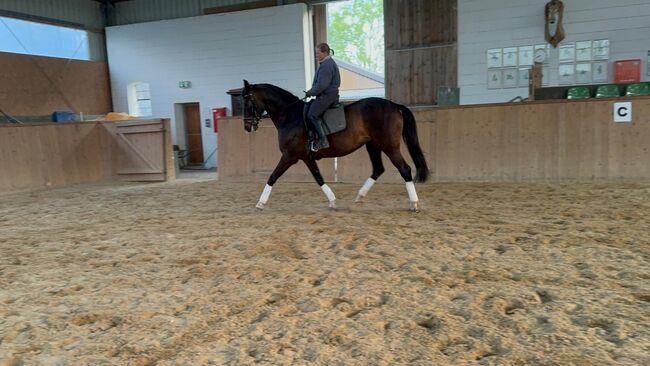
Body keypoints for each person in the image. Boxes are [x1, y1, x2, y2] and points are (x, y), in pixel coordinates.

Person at [305, 43, 341, 152]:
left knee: (312, 114)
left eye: (318, 53)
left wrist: (310, 92)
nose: (316, 55)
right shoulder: (326, 64)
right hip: (328, 94)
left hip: (328, 95)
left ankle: (323, 140)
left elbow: (322, 85)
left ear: (325, 53)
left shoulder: (327, 65)